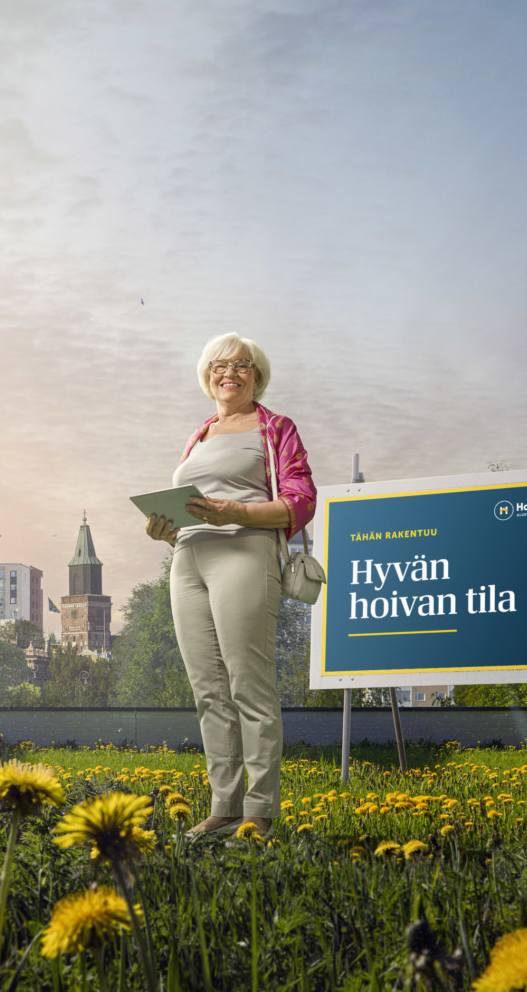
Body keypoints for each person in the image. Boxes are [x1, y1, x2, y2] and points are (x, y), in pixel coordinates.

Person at [145, 332, 316, 840]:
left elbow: (300, 499)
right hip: (188, 556)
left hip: (245, 549)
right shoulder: (199, 434)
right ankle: (224, 805)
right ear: (207, 376)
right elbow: (190, 503)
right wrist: (164, 527)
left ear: (257, 377)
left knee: (249, 684)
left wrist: (236, 511)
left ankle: (260, 811)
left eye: (242, 365)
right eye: (220, 365)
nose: (230, 373)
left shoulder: (275, 428)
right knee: (208, 690)